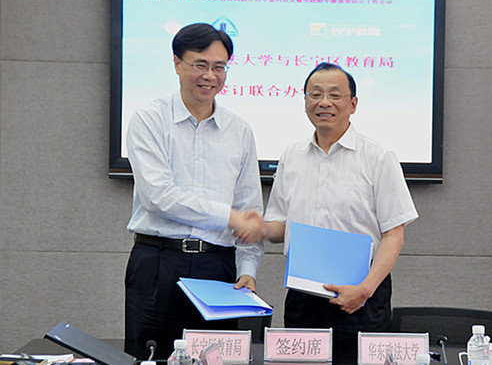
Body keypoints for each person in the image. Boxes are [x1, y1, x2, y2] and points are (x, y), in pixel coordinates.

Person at [124, 23, 266, 359]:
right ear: (177, 63)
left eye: (219, 67)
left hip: (218, 269)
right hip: (158, 263)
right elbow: (158, 197)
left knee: (215, 359)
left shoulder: (239, 131)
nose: (210, 76)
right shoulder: (149, 120)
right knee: (152, 357)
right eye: (200, 65)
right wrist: (228, 216)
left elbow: (250, 211)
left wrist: (248, 270)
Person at [264, 62, 418, 364]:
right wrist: (254, 227)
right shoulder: (291, 156)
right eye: (315, 94)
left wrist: (365, 290)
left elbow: (394, 235)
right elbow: (279, 226)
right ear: (305, 102)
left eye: (335, 95)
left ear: (353, 104)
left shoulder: (378, 157)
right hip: (303, 295)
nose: (324, 102)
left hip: (361, 294)